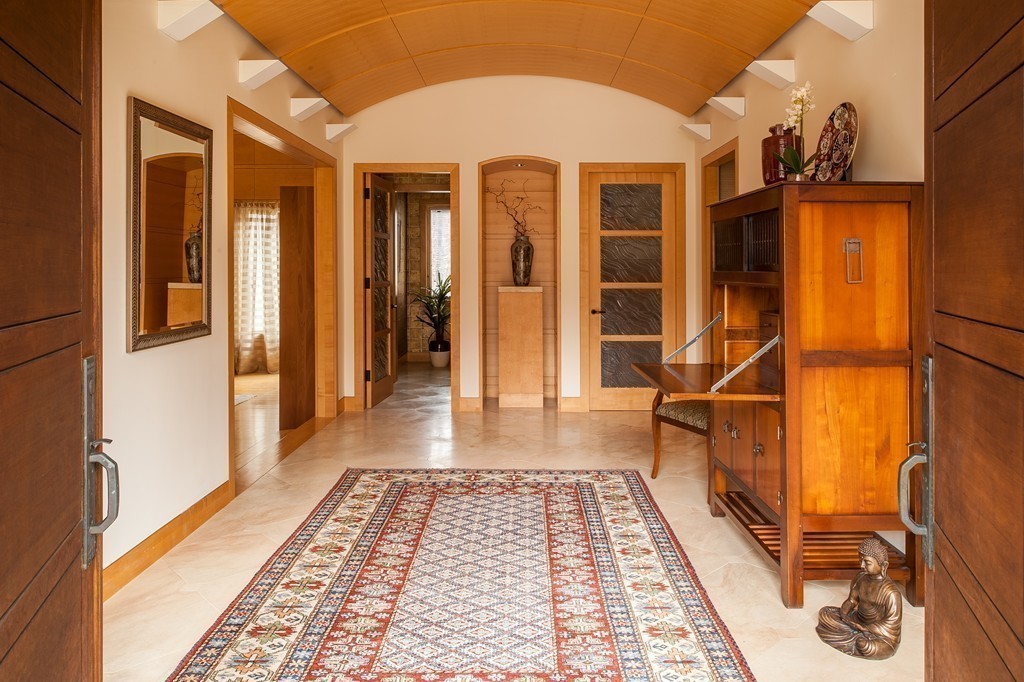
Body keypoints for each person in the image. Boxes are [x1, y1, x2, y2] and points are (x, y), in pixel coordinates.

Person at [816, 537, 902, 660]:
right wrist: (844, 613)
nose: (862, 565)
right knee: (825, 613)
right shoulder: (860, 577)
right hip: (856, 620)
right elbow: (852, 600)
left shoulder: (891, 592)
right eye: (860, 560)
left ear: (883, 565)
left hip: (878, 634)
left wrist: (867, 629)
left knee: (866, 646)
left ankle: (857, 638)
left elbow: (892, 624)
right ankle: (854, 634)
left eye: (867, 563)